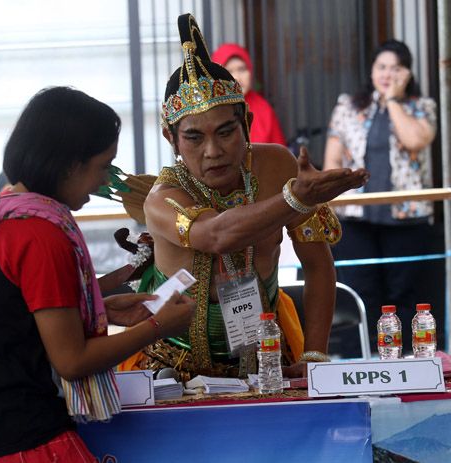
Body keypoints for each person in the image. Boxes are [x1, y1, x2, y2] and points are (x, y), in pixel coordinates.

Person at [0, 86, 196, 462]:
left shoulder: (2, 215)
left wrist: (101, 308)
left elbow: (13, 321)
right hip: (25, 442)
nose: (105, 181)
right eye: (103, 166)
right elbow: (72, 361)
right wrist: (157, 328)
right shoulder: (41, 233)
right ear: (69, 164)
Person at [116, 14, 367, 380]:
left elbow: (316, 261)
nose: (213, 150)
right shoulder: (163, 197)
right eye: (194, 138)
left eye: (226, 131)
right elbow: (215, 236)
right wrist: (295, 199)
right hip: (171, 370)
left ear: (246, 122)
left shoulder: (278, 166)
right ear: (172, 140)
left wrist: (314, 354)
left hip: (266, 360)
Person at [322, 39, 437, 344]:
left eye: (396, 68)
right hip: (356, 217)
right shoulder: (349, 106)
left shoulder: (422, 106)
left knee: (405, 296)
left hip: (406, 219)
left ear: (408, 74)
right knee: (362, 293)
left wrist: (394, 100)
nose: (387, 73)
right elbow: (332, 160)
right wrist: (334, 201)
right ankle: (366, 358)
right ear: (371, 71)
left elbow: (415, 140)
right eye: (381, 67)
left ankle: (409, 360)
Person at [211, 42, 286, 146]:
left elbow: (279, 155)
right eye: (228, 71)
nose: (236, 77)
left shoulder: (263, 109)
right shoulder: (208, 109)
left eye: (242, 69)